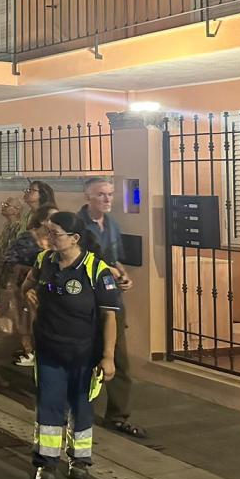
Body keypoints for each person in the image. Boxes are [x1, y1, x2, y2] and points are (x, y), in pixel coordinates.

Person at [22, 211, 120, 479]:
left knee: (81, 405)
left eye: (55, 234)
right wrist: (28, 294)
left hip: (84, 352)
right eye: (48, 232)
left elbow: (109, 316)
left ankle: (80, 460)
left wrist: (108, 357)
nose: (49, 238)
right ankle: (46, 462)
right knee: (49, 406)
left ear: (75, 238)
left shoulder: (96, 270)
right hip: (49, 349)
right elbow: (27, 285)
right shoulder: (44, 261)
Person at [78, 177, 143, 438]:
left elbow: (114, 259)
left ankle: (118, 415)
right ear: (88, 197)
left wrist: (124, 276)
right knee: (84, 356)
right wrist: (109, 271)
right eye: (101, 194)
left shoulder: (112, 224)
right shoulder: (77, 226)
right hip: (86, 300)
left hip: (111, 300)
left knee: (118, 357)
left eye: (110, 194)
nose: (107, 199)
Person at [0, 204, 58, 387]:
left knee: (41, 335)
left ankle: (47, 379)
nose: (55, 223)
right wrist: (30, 275)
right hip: (18, 292)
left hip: (41, 294)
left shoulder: (54, 240)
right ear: (42, 220)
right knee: (11, 334)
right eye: (52, 218)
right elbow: (10, 262)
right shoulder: (27, 238)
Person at [0, 197, 24, 307]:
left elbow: (12, 250)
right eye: (3, 204)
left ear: (16, 210)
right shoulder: (7, 225)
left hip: (8, 270)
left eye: (7, 205)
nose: (3, 206)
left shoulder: (18, 227)